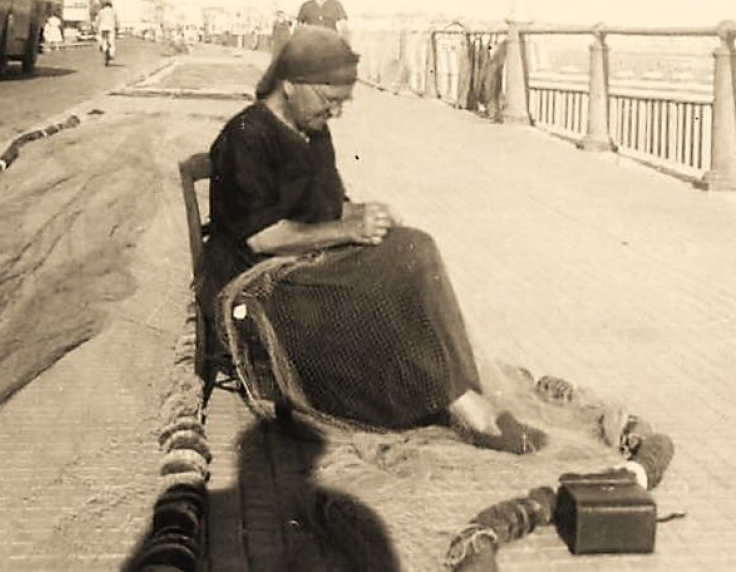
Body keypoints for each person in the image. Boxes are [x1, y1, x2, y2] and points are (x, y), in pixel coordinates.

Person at [194, 26, 545, 454]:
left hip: (300, 262)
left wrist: (364, 214)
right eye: (330, 99)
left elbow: (328, 206)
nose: (336, 112)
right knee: (382, 283)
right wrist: (348, 231)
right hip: (256, 284)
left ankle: (460, 393)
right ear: (290, 84)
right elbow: (263, 238)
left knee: (414, 246)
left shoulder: (312, 131)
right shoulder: (246, 136)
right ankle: (461, 405)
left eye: (342, 102)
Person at [95, 0, 118, 64]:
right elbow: (117, 21)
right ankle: (111, 55)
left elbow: (97, 20)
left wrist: (96, 27)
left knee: (102, 39)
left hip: (102, 28)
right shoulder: (114, 12)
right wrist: (117, 28)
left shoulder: (101, 11)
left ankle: (102, 46)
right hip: (111, 28)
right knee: (111, 43)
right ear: (110, 6)